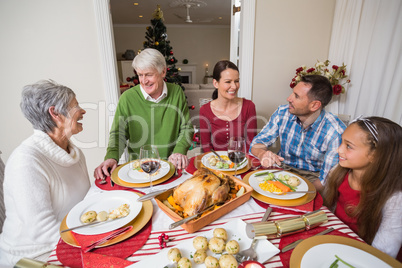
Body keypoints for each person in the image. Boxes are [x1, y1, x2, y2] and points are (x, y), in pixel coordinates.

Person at [0, 80, 90, 266]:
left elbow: (85, 203)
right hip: (34, 257)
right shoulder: (26, 161)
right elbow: (42, 231)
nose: (82, 111)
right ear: (55, 113)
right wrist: (94, 239)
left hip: (72, 240)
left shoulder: (75, 153)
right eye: (75, 106)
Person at [94, 48, 193, 180]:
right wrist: (111, 157)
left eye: (149, 74)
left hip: (172, 166)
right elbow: (119, 133)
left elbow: (186, 127)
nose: (144, 80)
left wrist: (179, 152)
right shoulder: (127, 98)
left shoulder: (176, 92)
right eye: (140, 75)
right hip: (139, 169)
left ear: (163, 71)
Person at [250, 75, 346, 192]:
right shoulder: (282, 113)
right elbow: (256, 144)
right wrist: (262, 154)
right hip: (282, 170)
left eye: (296, 96)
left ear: (315, 105)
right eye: (292, 93)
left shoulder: (335, 132)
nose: (289, 98)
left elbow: (326, 179)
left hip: (313, 178)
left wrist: (296, 193)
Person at [323, 116, 402, 259]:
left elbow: (383, 252)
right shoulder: (338, 172)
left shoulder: (395, 197)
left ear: (375, 155)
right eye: (342, 142)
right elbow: (327, 210)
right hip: (337, 243)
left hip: (365, 256)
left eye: (349, 146)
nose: (339, 149)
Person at [199, 60, 257, 153]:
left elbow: (252, 143)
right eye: (228, 81)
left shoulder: (249, 106)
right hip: (216, 163)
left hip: (241, 162)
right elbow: (206, 147)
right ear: (215, 83)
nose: (234, 86)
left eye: (237, 81)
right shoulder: (205, 110)